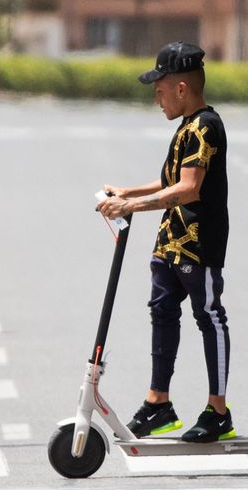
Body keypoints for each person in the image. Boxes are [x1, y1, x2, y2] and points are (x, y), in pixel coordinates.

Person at [96, 42, 235, 443]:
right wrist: (128, 191)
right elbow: (171, 179)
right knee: (162, 312)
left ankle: (218, 412)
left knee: (209, 317)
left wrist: (131, 205)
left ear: (181, 89)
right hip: (171, 242)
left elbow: (189, 188)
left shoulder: (206, 126)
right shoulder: (185, 127)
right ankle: (159, 403)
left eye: (160, 91)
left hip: (198, 245)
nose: (157, 99)